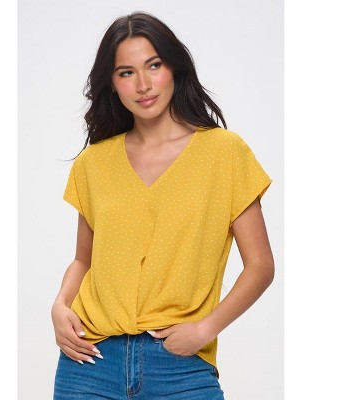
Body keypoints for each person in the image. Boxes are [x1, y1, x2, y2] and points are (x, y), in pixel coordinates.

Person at [52, 11, 275, 400]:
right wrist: (59, 306)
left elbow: (260, 266)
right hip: (88, 362)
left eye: (153, 66)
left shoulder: (224, 153)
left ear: (174, 67)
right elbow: (83, 260)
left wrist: (205, 329)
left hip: (179, 366)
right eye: (126, 72)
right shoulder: (94, 163)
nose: (143, 84)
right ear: (112, 84)